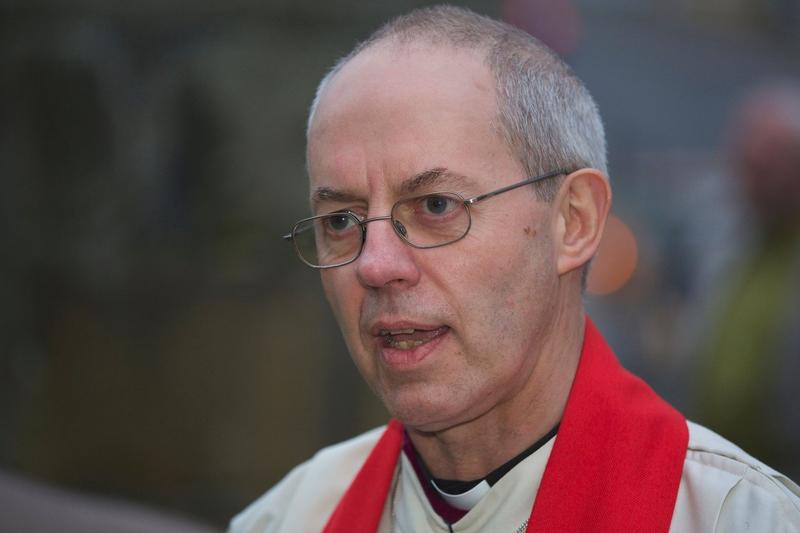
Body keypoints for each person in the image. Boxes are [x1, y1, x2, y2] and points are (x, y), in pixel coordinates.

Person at [231, 6, 800, 532]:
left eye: (436, 206)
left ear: (574, 221)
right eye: (340, 220)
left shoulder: (736, 517)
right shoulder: (289, 518)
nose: (375, 265)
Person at [697, 82, 800, 482]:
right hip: (725, 465)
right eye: (747, 162)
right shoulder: (730, 235)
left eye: (771, 163)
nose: (753, 178)